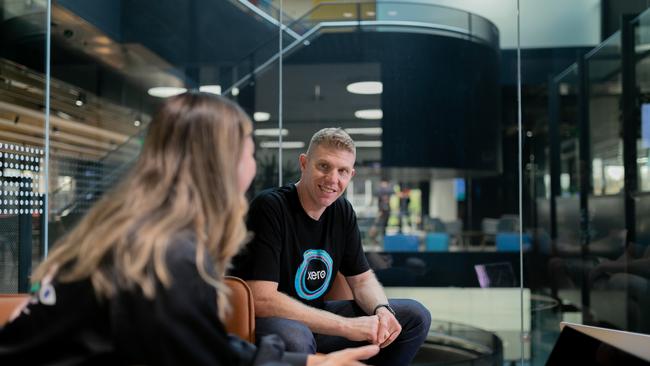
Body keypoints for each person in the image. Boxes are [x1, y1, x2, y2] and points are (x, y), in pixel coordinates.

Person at [0, 93, 378, 366]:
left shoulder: (138, 232)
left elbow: (199, 345)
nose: (252, 162)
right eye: (248, 150)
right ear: (220, 162)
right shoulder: (165, 253)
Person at [231, 128, 431, 366]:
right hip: (272, 319)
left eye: (342, 171)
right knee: (297, 337)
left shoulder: (342, 212)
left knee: (415, 316)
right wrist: (346, 326)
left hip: (319, 318)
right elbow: (262, 299)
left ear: (351, 174)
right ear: (304, 163)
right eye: (324, 166)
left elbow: (362, 280)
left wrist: (382, 309)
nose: (332, 179)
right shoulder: (270, 207)